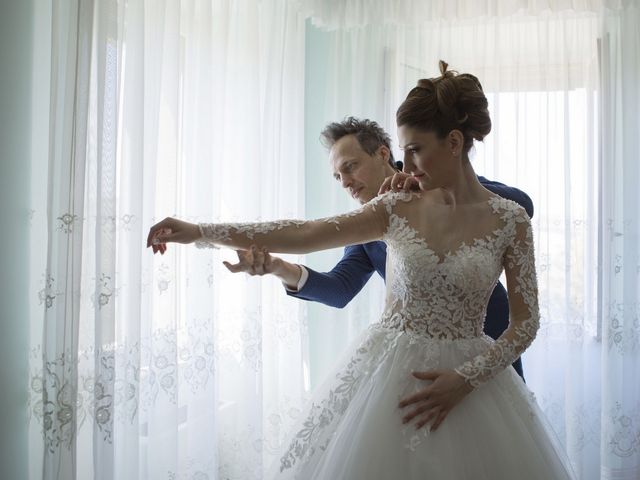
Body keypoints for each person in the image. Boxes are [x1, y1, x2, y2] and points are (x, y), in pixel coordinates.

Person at [147, 61, 575, 479]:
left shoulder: (510, 217)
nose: (407, 164)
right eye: (404, 152)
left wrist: (465, 380)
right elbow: (307, 233)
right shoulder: (393, 208)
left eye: (415, 150)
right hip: (392, 377)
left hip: (478, 379)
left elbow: (526, 321)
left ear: (455, 142)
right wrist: (201, 231)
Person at [222, 116, 532, 379]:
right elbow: (339, 289)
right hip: (420, 356)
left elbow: (522, 203)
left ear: (383, 154)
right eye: (337, 176)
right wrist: (278, 267)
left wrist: (425, 192)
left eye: (351, 166)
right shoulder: (368, 225)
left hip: (489, 336)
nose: (345, 181)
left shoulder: (439, 179)